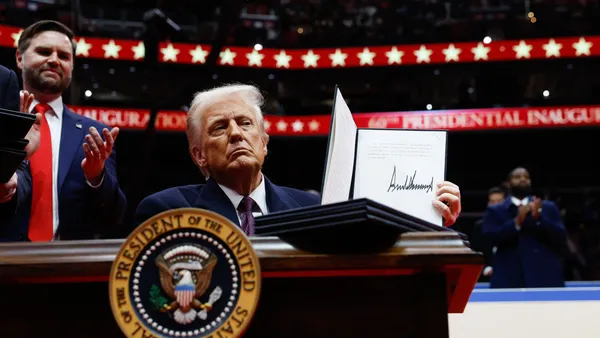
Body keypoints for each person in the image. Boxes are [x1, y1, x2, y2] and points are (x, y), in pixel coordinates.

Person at [134, 84, 463, 234]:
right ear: (198, 155)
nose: (236, 134)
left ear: (264, 143)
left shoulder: (313, 208)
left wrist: (432, 219)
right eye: (220, 127)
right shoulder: (166, 212)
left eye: (245, 123)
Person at [0, 20, 127, 241]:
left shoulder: (95, 133)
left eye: (64, 56)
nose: (54, 60)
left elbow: (115, 215)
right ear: (19, 58)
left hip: (66, 262)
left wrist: (96, 176)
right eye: (44, 51)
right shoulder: (2, 118)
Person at [482, 167, 566, 288]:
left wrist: (539, 219)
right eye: (517, 177)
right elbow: (487, 241)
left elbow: (561, 238)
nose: (523, 179)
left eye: (526, 177)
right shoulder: (496, 210)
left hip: (544, 276)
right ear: (508, 183)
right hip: (509, 277)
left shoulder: (548, 207)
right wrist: (516, 222)